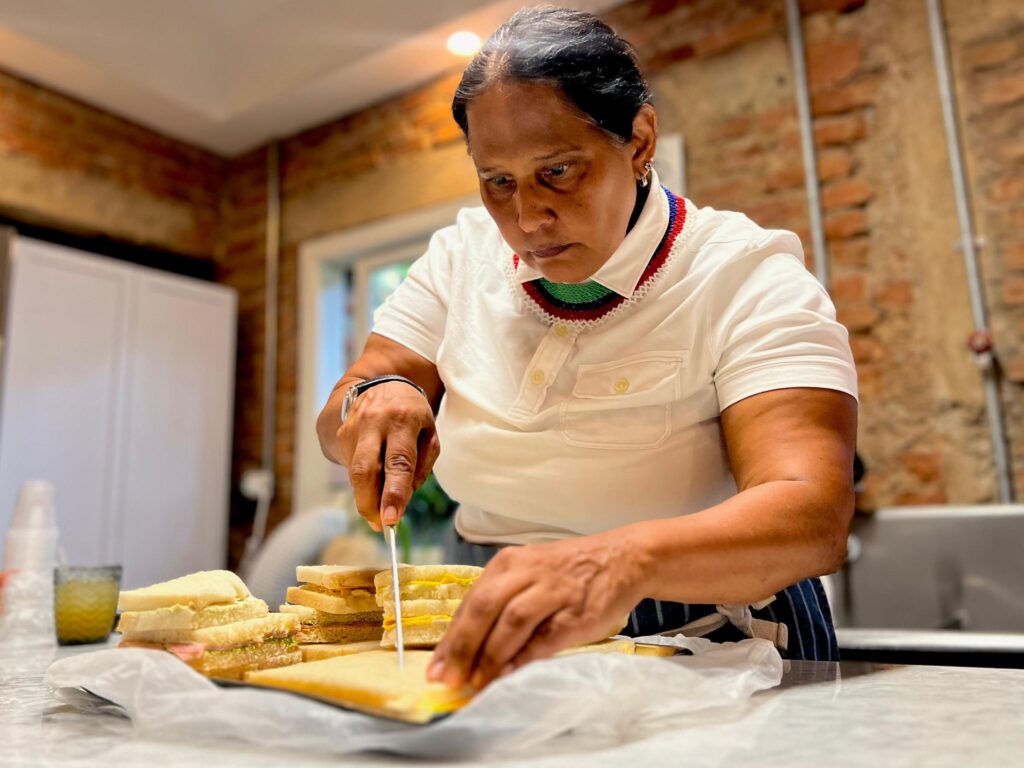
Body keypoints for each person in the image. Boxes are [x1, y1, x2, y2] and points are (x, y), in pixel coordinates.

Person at [316, 6, 858, 691]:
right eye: (497, 181)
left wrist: (618, 563)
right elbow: (344, 404)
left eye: (559, 171)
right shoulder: (458, 258)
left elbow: (811, 514)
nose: (526, 217)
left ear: (638, 141)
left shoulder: (744, 273)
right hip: (493, 608)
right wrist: (373, 400)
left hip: (711, 623)